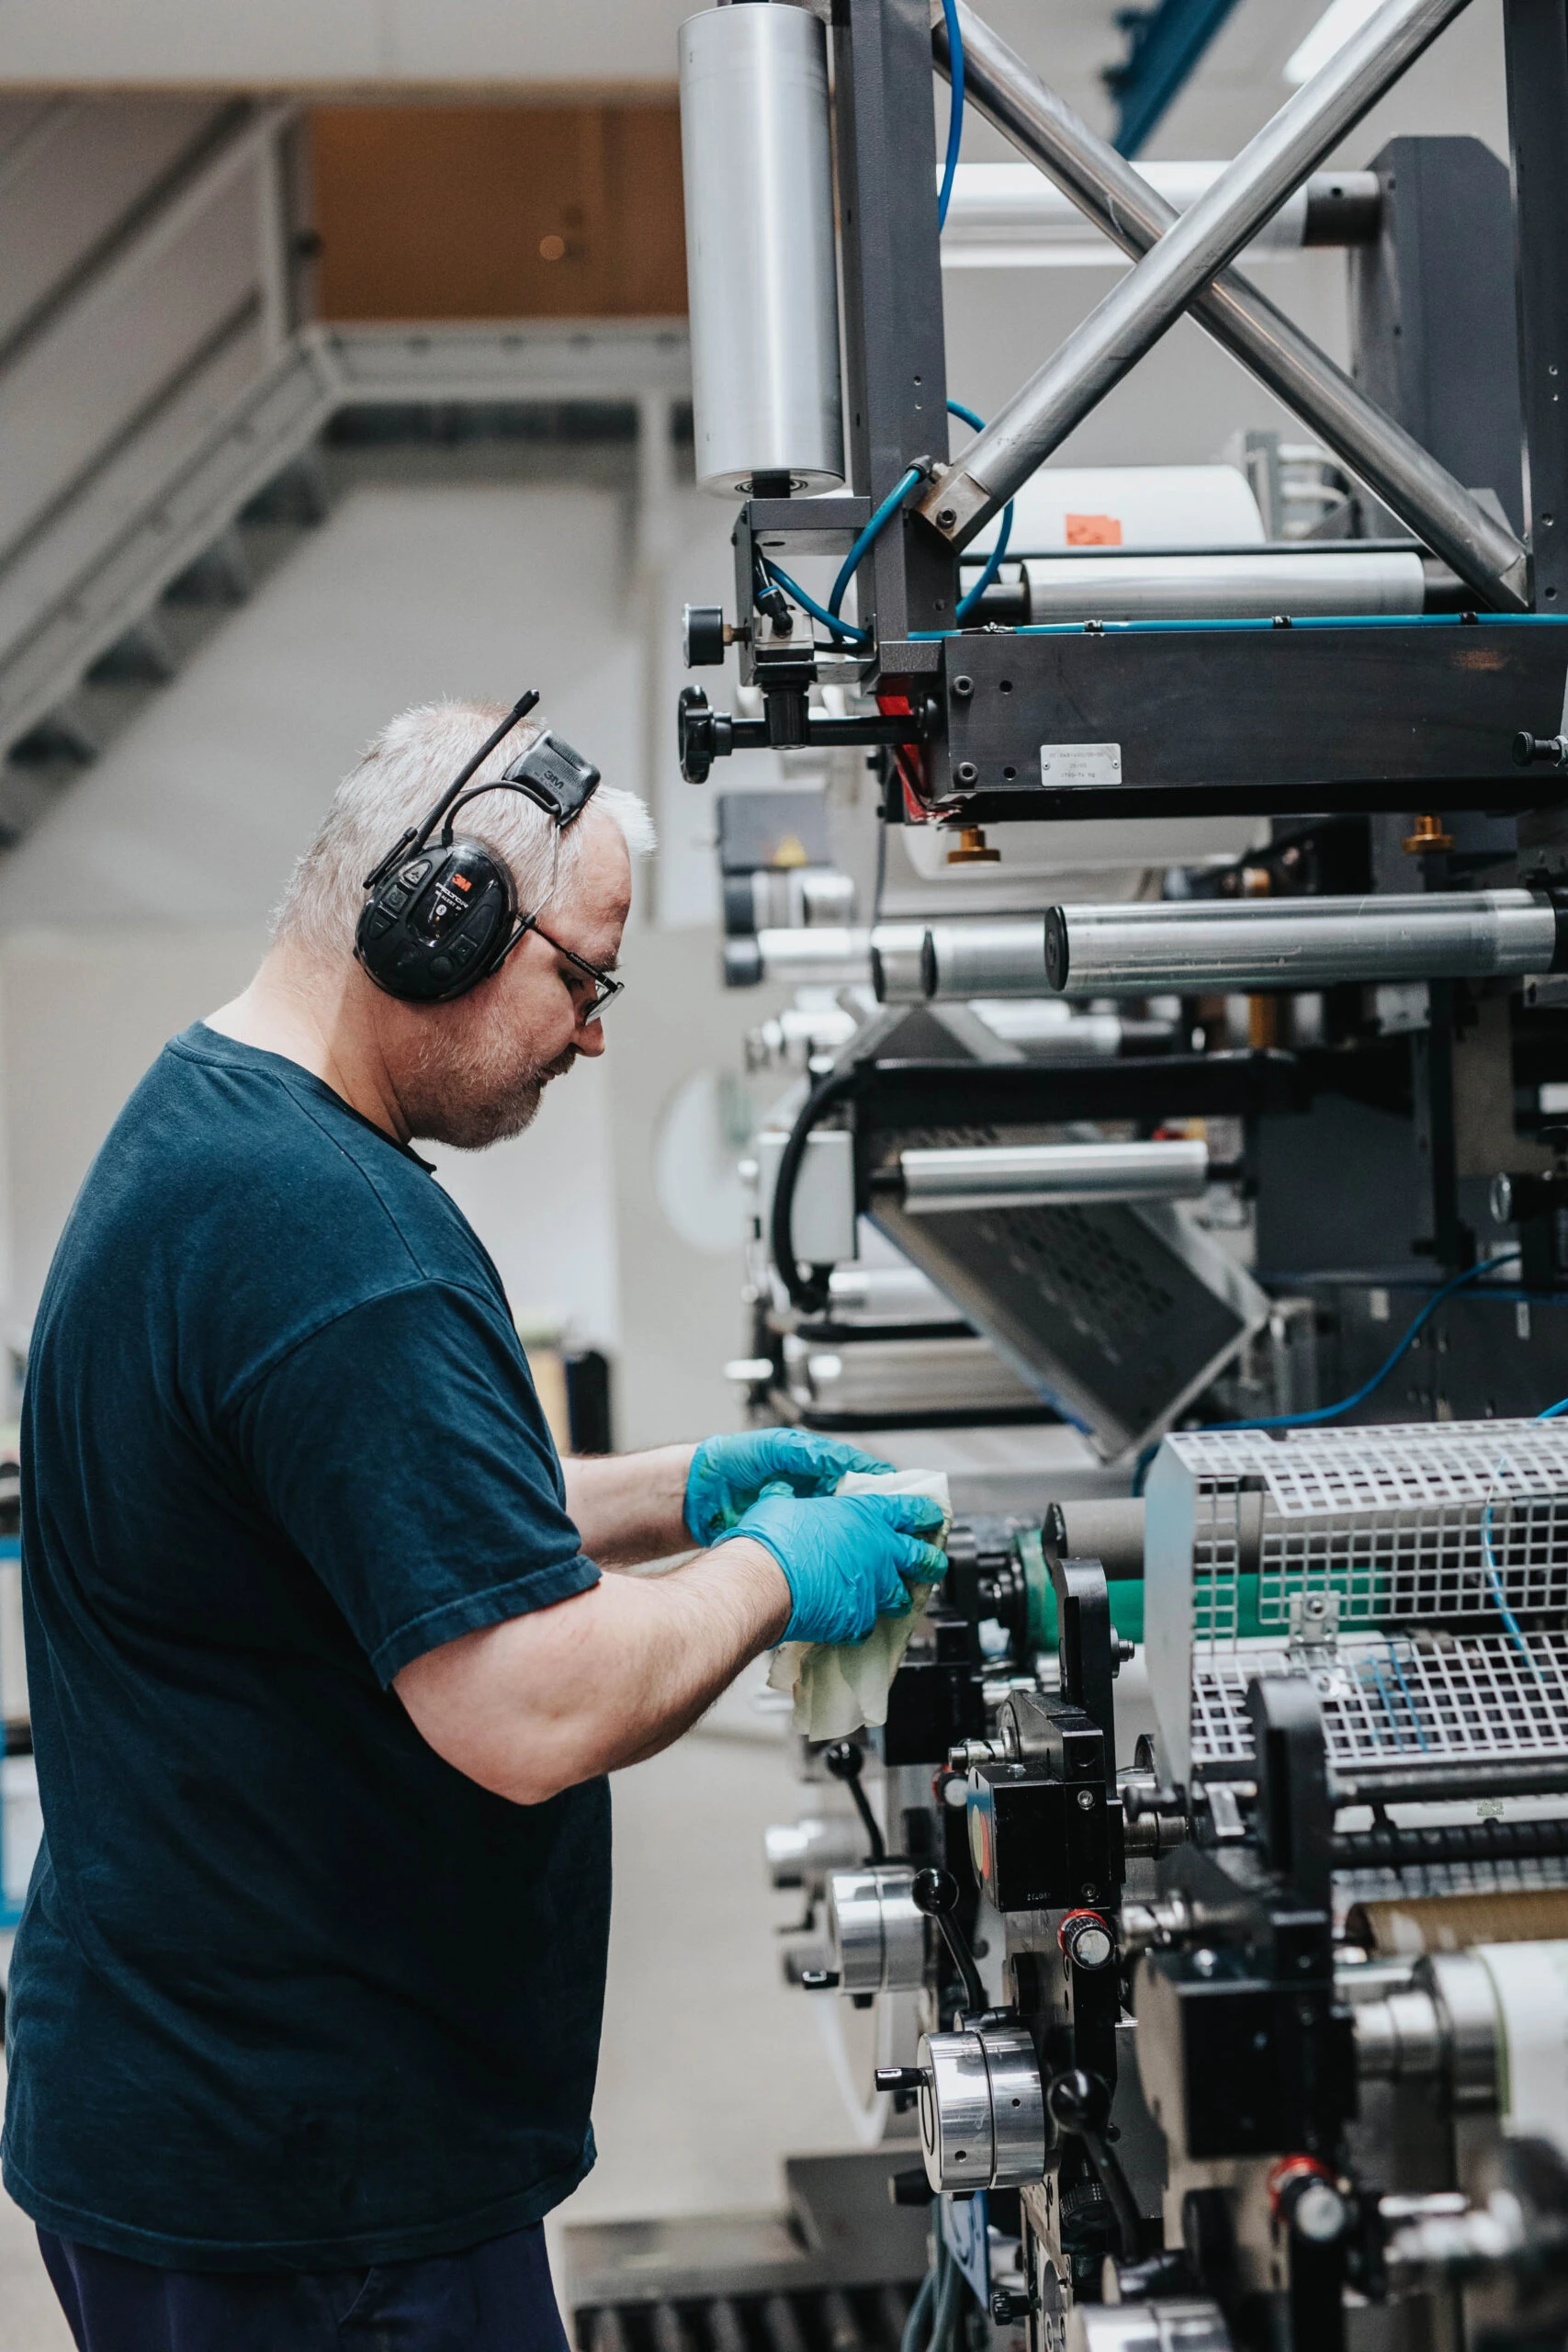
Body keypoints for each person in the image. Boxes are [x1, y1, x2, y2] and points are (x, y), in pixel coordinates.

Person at [2, 699, 946, 2352]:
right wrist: (774, 1573)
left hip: (207, 2116)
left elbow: (383, 1515)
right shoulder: (334, 1241)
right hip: (310, 2195)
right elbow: (529, 1707)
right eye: (579, 980)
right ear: (436, 923)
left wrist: (686, 1487)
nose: (588, 1038)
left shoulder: (214, 1124)